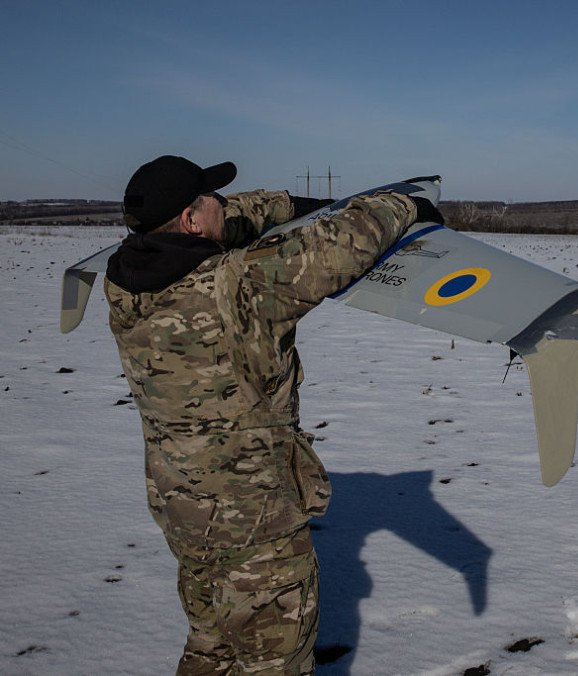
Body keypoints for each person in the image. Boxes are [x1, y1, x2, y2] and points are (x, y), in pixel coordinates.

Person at [105, 155, 440, 674]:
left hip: (184, 511)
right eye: (210, 198)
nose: (223, 203)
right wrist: (405, 204)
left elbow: (226, 218)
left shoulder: (124, 281)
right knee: (274, 665)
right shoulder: (239, 287)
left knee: (210, 650)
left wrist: (290, 206)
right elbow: (341, 245)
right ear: (192, 220)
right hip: (255, 529)